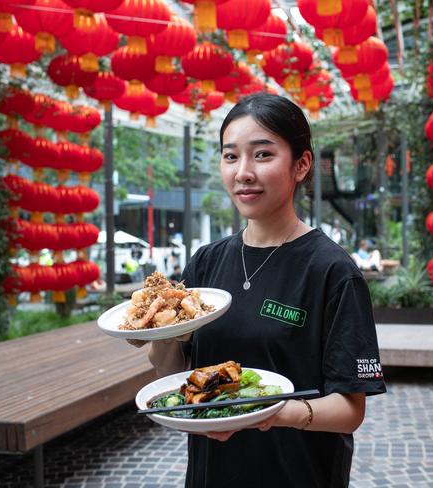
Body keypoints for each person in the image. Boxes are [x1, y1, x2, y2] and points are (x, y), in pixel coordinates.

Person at [134, 93, 385, 488]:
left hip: (297, 475)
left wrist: (272, 413)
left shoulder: (331, 270)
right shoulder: (205, 262)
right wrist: (160, 337)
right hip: (210, 476)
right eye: (231, 156)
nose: (243, 172)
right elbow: (175, 374)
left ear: (301, 164)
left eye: (263, 155)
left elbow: (350, 409)